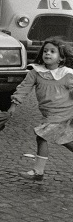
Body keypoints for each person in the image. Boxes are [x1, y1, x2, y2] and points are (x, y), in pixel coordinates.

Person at [10, 37, 73, 181]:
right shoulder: (36, 72)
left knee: (42, 137)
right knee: (65, 141)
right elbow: (24, 88)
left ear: (61, 57)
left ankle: (38, 172)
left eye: (52, 51)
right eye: (45, 51)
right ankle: (38, 172)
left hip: (64, 114)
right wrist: (14, 105)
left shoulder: (67, 74)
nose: (47, 54)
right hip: (49, 114)